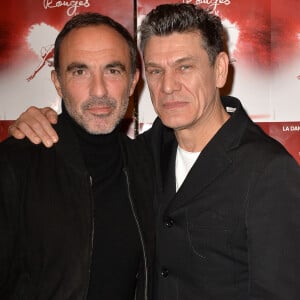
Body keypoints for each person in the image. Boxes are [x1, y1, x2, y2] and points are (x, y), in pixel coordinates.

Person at [9, 3, 300, 300]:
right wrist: (35, 123)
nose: (169, 86)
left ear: (220, 70)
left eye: (184, 67)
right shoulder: (143, 153)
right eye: (156, 70)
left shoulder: (269, 171)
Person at [0, 12, 155, 300]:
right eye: (80, 71)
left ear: (133, 81)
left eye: (113, 70)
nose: (99, 90)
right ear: (58, 82)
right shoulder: (13, 166)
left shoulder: (149, 164)